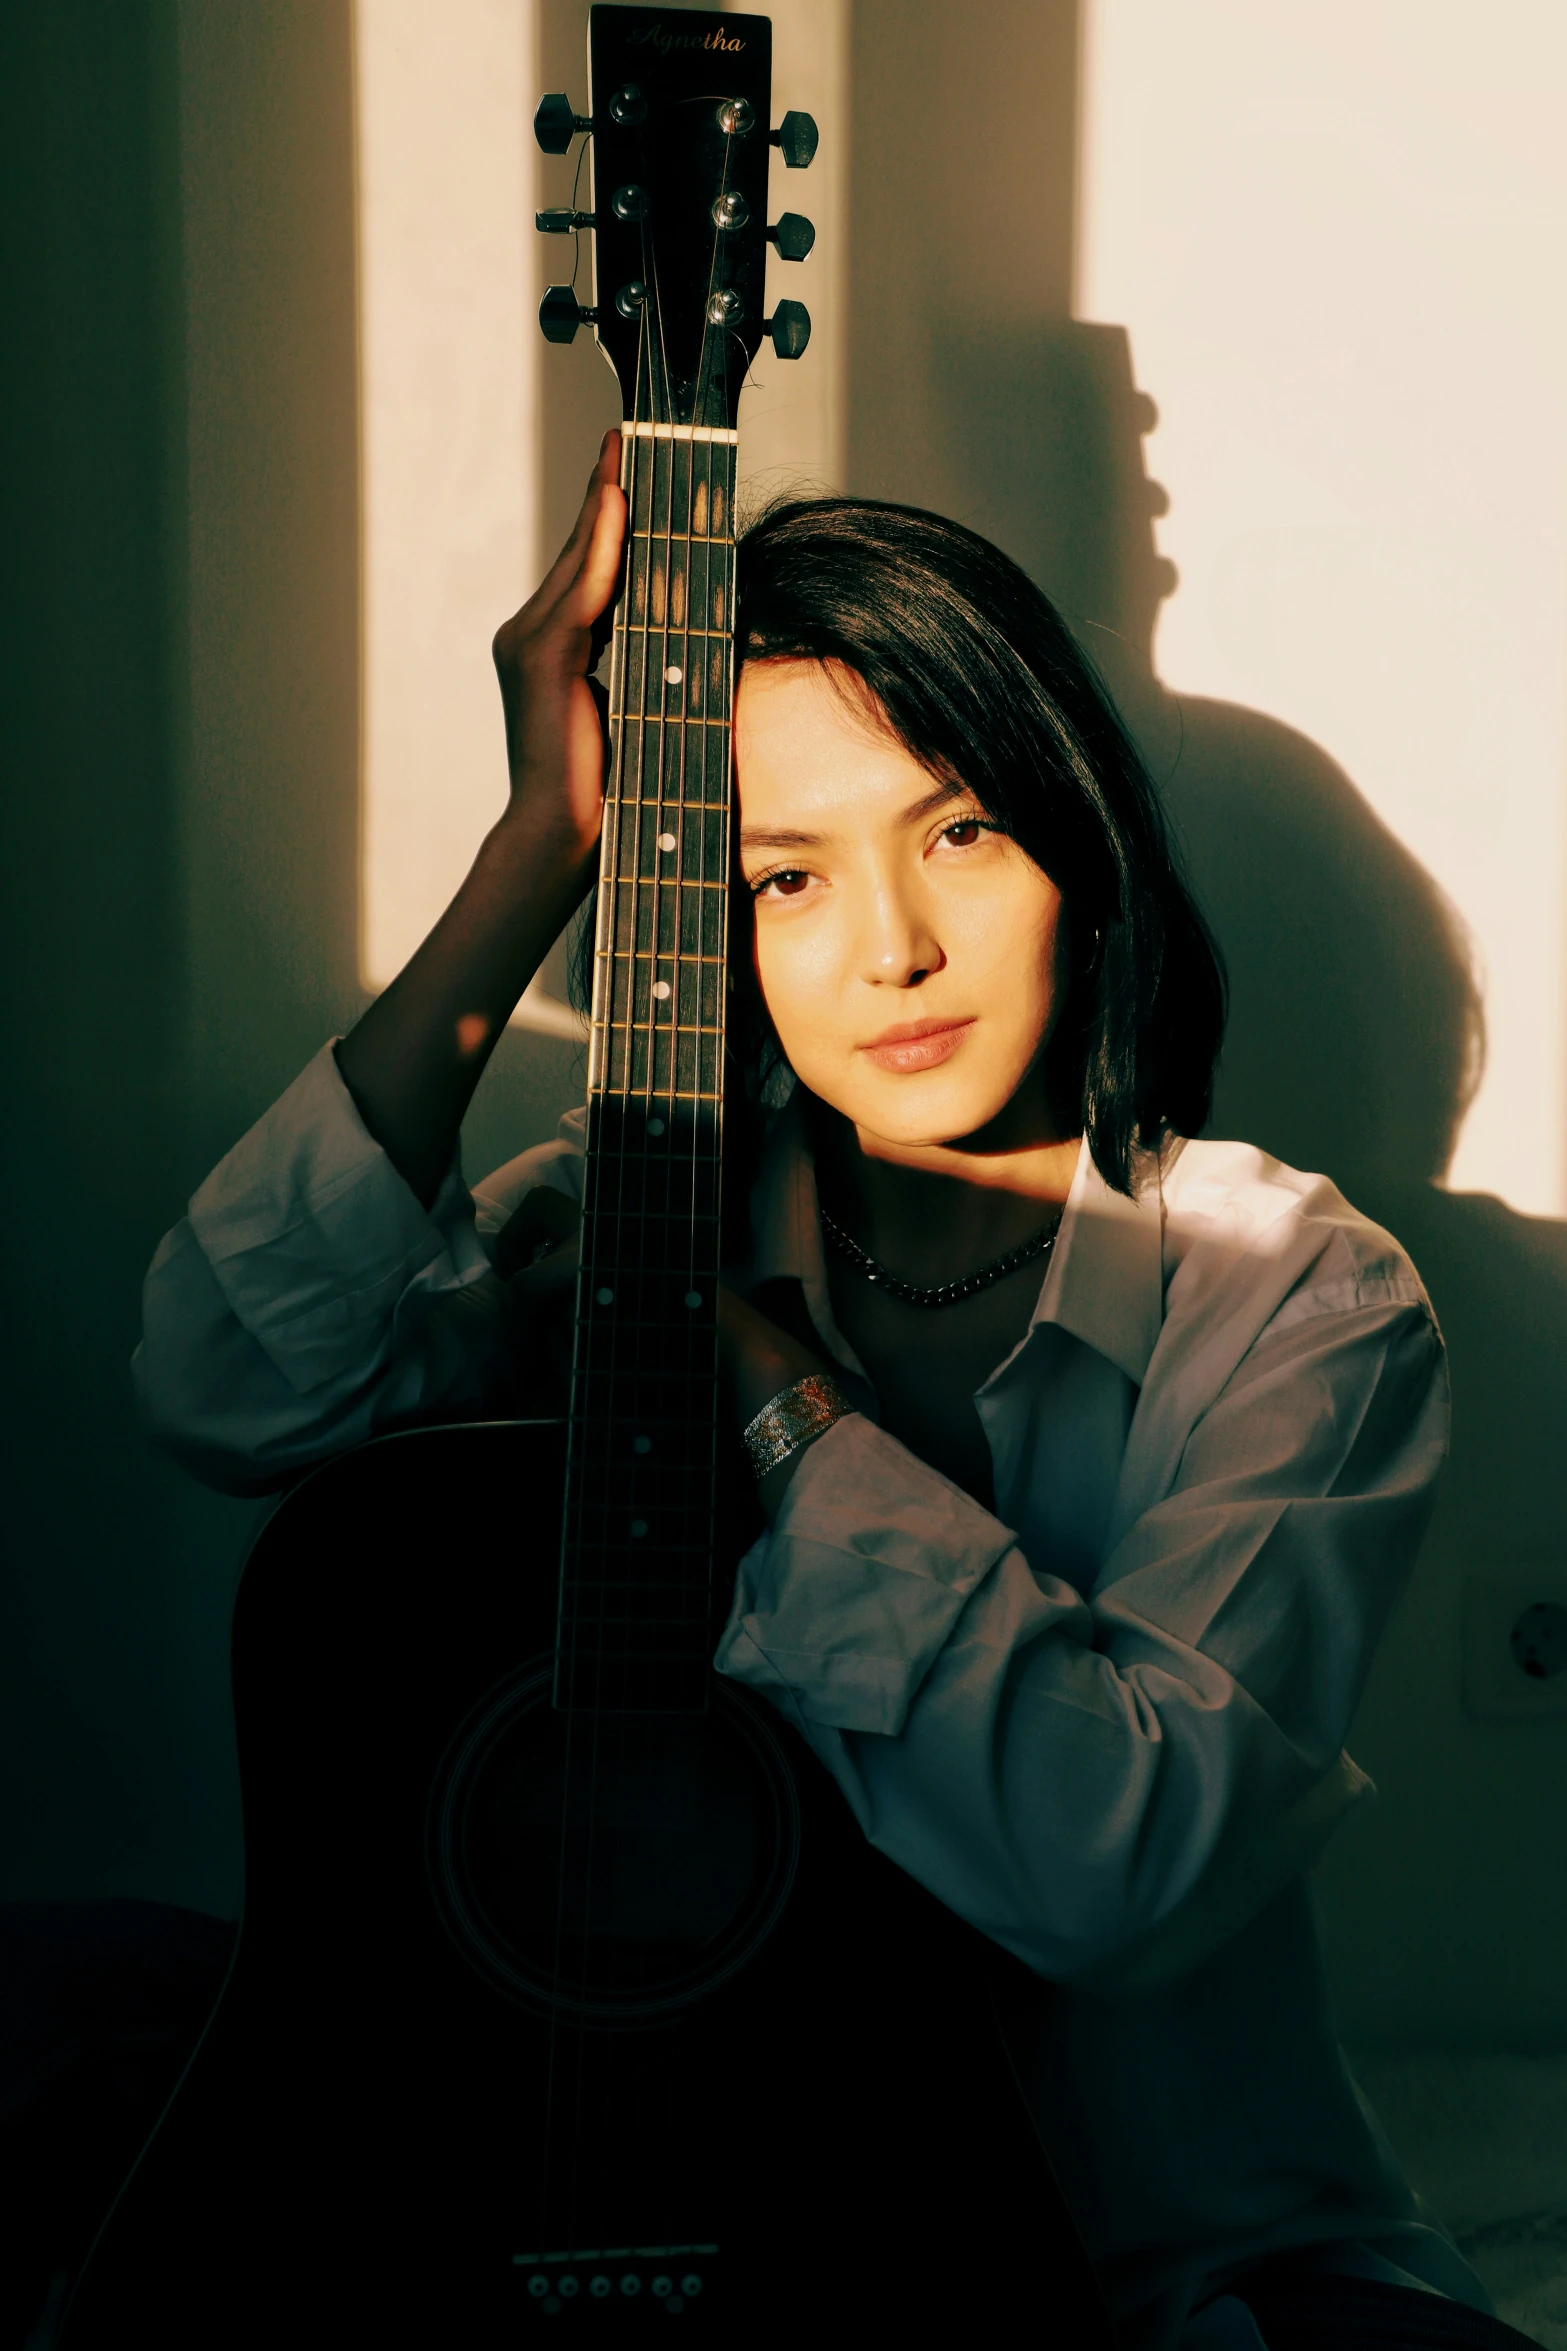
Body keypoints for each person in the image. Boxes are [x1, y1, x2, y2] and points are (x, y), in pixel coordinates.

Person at [135, 435, 1524, 2351]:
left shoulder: (1293, 1294)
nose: (893, 950)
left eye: (957, 830)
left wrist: (774, 1382)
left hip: (1181, 2267)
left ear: (1077, 845)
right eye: (785, 876)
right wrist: (541, 843)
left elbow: (1103, 1867)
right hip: (752, 2243)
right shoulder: (632, 1229)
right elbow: (222, 1385)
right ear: (709, 920)